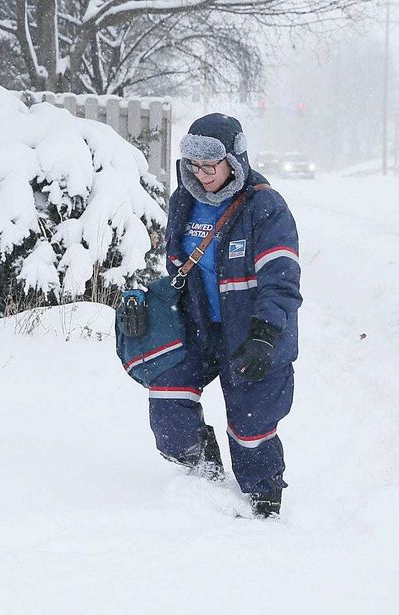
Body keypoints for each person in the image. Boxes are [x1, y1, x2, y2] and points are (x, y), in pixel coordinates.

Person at [148, 113, 302, 518]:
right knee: (167, 399)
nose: (201, 175)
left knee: (251, 428)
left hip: (252, 336)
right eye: (193, 166)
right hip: (200, 331)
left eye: (209, 165)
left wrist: (265, 334)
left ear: (234, 161)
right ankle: (204, 476)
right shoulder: (184, 201)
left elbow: (281, 279)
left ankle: (263, 502)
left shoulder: (265, 207)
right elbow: (178, 268)